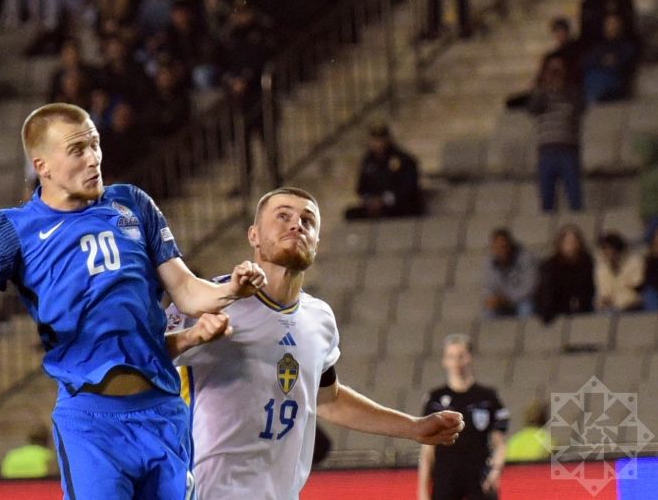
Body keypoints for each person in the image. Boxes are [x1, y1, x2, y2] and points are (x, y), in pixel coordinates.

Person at [0, 102, 268, 500]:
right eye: (78, 150)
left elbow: (187, 290)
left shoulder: (132, 203)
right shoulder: (15, 229)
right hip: (92, 424)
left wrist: (231, 289)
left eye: (95, 144)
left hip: (163, 410)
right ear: (42, 166)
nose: (94, 158)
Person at [166, 187, 464, 499]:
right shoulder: (204, 301)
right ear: (253, 235)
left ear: (317, 244)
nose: (296, 225)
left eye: (308, 221)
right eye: (283, 216)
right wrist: (191, 337)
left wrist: (413, 427)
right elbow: (138, 360)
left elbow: (327, 399)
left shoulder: (318, 318)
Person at [419, 334, 509, 500]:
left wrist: (496, 471)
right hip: (445, 476)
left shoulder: (488, 397)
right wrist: (422, 490)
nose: (456, 362)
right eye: (451, 356)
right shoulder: (435, 399)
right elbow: (427, 450)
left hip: (479, 476)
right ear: (444, 360)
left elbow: (500, 443)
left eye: (461, 356)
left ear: (470, 357)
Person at [528, 54, 585, 212]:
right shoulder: (542, 95)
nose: (556, 73)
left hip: (568, 149)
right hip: (547, 150)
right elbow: (532, 108)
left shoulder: (573, 93)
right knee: (547, 200)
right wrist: (542, 85)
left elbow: (580, 107)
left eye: (559, 69)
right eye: (552, 69)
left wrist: (563, 88)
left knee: (575, 197)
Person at [344, 123, 424, 220]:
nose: (378, 143)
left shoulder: (403, 160)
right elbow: (361, 188)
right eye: (375, 140)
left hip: (397, 204)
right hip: (374, 205)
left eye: (381, 139)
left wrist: (385, 200)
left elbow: (409, 187)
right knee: (351, 214)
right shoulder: (368, 161)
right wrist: (370, 200)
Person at [535, 224, 596, 323]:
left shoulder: (587, 264)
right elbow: (546, 290)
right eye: (567, 242)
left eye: (574, 241)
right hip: (558, 305)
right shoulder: (550, 265)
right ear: (560, 244)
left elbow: (588, 288)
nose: (571, 245)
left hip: (582, 305)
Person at [483, 228, 538, 318]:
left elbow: (530, 288)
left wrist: (507, 299)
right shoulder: (490, 264)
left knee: (526, 308)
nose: (501, 250)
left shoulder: (527, 259)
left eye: (504, 246)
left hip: (524, 300)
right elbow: (489, 287)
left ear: (510, 245)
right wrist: (491, 298)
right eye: (497, 247)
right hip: (503, 302)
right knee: (488, 311)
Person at [594, 232, 644, 312]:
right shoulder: (601, 267)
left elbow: (635, 286)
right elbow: (604, 292)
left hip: (631, 305)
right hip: (609, 307)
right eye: (604, 250)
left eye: (610, 250)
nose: (608, 253)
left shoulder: (634, 261)